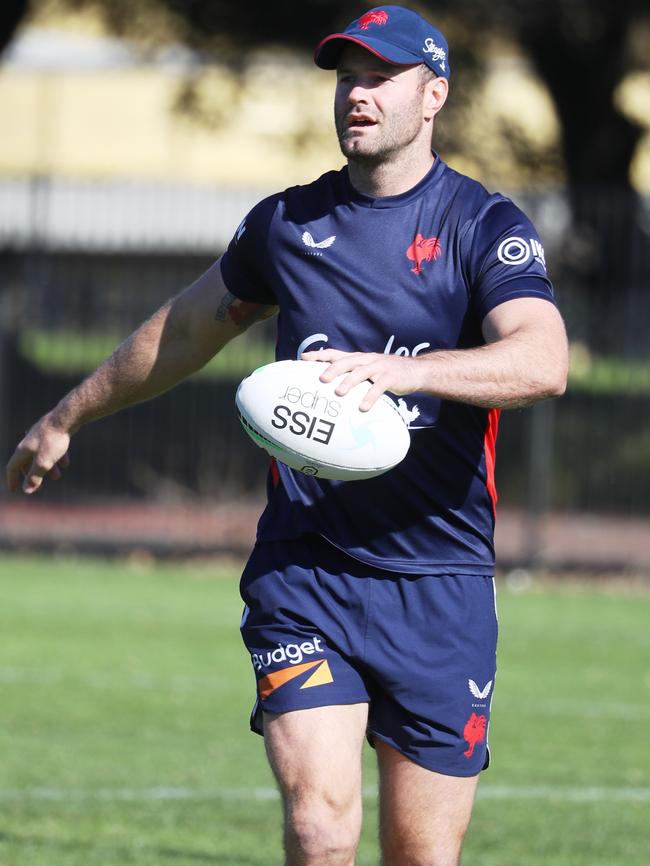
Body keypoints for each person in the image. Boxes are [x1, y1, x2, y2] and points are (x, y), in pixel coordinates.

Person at [6, 6, 568, 865]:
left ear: (433, 96)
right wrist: (65, 416)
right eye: (347, 78)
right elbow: (187, 330)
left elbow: (542, 360)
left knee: (420, 854)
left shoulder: (483, 226)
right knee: (318, 826)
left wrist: (405, 371)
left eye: (379, 78)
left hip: (439, 583)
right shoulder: (287, 225)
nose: (357, 95)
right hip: (307, 570)